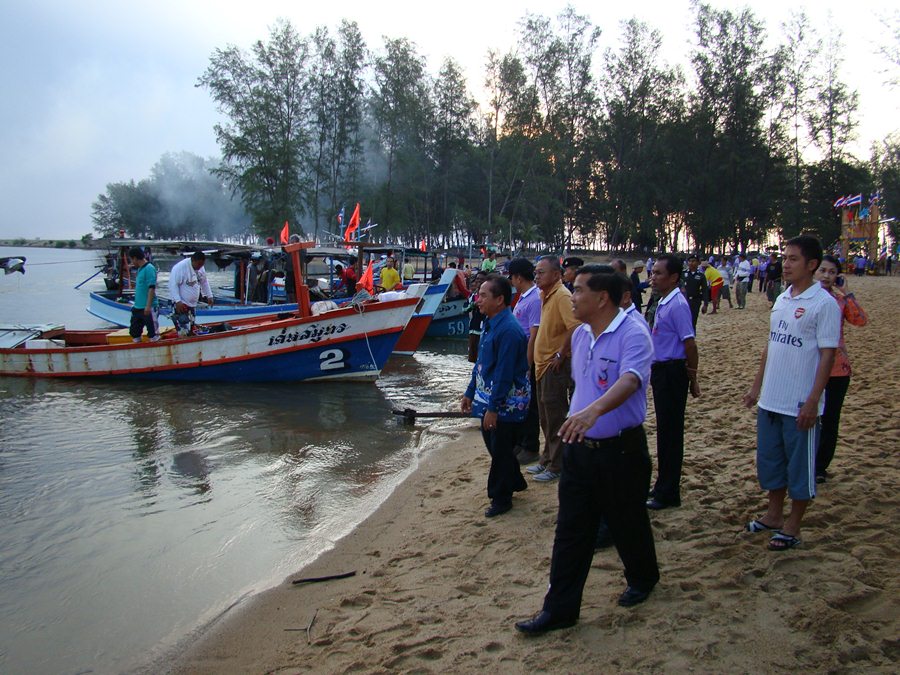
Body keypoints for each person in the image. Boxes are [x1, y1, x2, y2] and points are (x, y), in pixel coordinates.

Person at [514, 270, 659, 635]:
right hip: (580, 450)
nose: (572, 296)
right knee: (571, 531)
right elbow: (583, 385)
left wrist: (595, 411)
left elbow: (630, 380)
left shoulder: (633, 333)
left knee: (628, 522)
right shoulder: (580, 335)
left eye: (578, 290)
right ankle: (560, 609)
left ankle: (643, 578)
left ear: (602, 299)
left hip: (621, 451)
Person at [742, 235, 840, 551]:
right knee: (771, 462)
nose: (786, 264)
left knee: (799, 467)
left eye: (794, 258)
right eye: (785, 257)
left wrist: (813, 400)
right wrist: (757, 386)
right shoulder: (783, 298)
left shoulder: (823, 304)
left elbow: (828, 355)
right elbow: (771, 345)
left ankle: (793, 526)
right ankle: (773, 515)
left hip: (799, 401)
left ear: (812, 265)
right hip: (772, 397)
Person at [461, 275, 531, 518]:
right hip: (488, 396)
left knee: (499, 448)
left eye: (483, 296)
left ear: (500, 299)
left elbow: (504, 373)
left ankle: (501, 498)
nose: (477, 300)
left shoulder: (509, 331)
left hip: (506, 402)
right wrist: (470, 392)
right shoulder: (489, 323)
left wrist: (494, 408)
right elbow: (482, 363)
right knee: (493, 444)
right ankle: (515, 480)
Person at [647, 254, 700, 510]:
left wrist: (693, 376)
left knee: (671, 433)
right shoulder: (663, 301)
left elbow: (690, 343)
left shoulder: (678, 303)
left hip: (672, 371)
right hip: (661, 370)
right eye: (653, 272)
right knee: (665, 432)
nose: (653, 277)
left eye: (658, 273)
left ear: (674, 277)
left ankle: (668, 491)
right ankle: (662, 486)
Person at [526, 257, 581, 483]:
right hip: (541, 365)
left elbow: (575, 326)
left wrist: (560, 353)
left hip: (553, 364)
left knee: (555, 415)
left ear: (557, 274)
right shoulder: (544, 296)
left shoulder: (562, 296)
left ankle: (557, 465)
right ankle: (547, 458)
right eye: (535, 273)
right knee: (545, 416)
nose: (537, 276)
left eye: (541, 272)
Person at [814, 255, 868, 483]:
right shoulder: (804, 298)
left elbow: (860, 320)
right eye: (823, 270)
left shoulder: (840, 300)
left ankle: (820, 467)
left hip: (837, 370)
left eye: (832, 272)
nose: (827, 276)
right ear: (815, 271)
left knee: (830, 418)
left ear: (838, 276)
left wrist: (847, 293)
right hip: (809, 367)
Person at [509, 258, 542, 466]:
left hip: (527, 359)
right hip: (519, 357)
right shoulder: (524, 297)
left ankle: (531, 446)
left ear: (518, 277)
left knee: (530, 405)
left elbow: (534, 334)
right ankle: (521, 442)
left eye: (512, 277)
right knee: (521, 402)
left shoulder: (535, 299)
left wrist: (527, 365)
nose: (511, 281)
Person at [169, 251, 214, 336]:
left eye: (202, 265)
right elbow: (173, 285)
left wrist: (209, 295)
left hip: (192, 305)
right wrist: (178, 301)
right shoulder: (180, 268)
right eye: (199, 264)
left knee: (191, 330)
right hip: (181, 304)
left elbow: (204, 282)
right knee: (183, 331)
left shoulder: (200, 268)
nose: (200, 267)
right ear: (193, 260)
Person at [127, 246, 160, 342]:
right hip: (138, 307)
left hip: (148, 307)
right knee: (134, 332)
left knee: (153, 334)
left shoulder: (149, 268)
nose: (132, 262)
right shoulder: (139, 269)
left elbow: (151, 288)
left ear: (135, 258)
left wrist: (148, 306)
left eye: (132, 260)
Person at [464, 271, 488, 363]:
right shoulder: (472, 296)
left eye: (482, 279)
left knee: (482, 356)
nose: (479, 281)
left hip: (485, 330)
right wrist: (473, 305)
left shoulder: (489, 296)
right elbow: (463, 309)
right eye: (477, 279)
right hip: (473, 329)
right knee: (472, 357)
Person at [683, 254, 708, 328]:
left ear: (698, 263)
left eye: (693, 261)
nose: (691, 263)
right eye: (689, 261)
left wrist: (705, 304)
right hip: (684, 300)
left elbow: (705, 290)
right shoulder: (683, 273)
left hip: (695, 301)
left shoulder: (701, 275)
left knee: (693, 321)